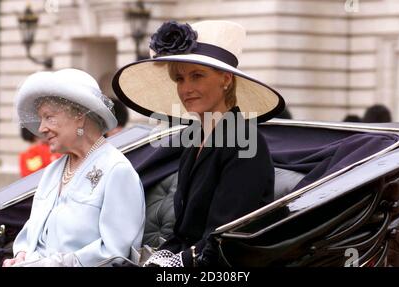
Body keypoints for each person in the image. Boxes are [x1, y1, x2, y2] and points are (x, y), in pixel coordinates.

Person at [112, 20, 285, 266]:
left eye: (197, 76)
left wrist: (175, 264)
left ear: (225, 79)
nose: (186, 89)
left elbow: (224, 237)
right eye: (180, 79)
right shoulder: (194, 141)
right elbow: (184, 233)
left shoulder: (245, 143)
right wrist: (161, 258)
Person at [3, 68, 145, 267]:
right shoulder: (53, 170)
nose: (41, 128)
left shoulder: (116, 169)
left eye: (48, 117)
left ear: (79, 115)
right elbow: (31, 232)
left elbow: (115, 252)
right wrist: (22, 255)